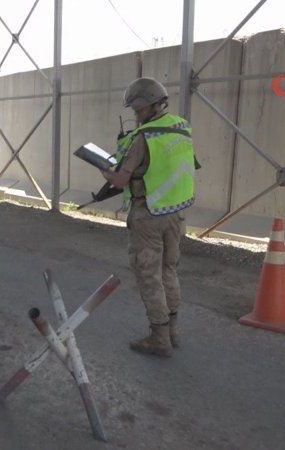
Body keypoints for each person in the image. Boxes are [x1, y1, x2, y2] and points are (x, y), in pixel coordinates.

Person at [100, 77, 196, 358]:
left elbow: (120, 180)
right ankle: (173, 331)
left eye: (137, 109)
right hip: (176, 212)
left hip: (149, 213)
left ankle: (159, 337)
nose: (135, 114)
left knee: (149, 275)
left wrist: (104, 170)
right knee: (169, 271)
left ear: (149, 106)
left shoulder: (144, 137)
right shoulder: (181, 127)